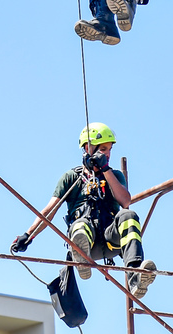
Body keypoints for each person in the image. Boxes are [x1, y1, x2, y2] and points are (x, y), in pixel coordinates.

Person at [10, 122, 156, 298]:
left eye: (109, 149)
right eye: (102, 148)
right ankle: (82, 260)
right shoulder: (71, 178)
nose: (107, 154)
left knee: (128, 215)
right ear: (88, 148)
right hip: (87, 244)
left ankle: (135, 274)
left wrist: (105, 169)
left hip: (111, 240)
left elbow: (125, 201)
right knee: (80, 224)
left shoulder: (114, 176)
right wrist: (29, 235)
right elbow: (49, 211)